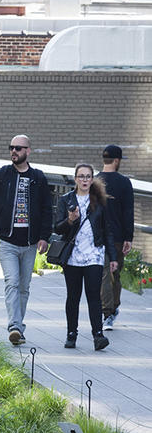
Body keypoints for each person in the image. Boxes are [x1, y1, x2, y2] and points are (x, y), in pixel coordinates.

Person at [0, 134, 52, 345]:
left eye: (19, 148)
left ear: (28, 151)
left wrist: (44, 237)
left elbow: (47, 209)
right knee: (12, 282)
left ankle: (18, 328)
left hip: (30, 243)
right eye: (11, 147)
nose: (14, 151)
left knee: (24, 287)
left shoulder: (38, 178)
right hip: (7, 241)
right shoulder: (2, 175)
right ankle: (14, 326)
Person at [54, 164, 117, 350]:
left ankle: (98, 335)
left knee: (93, 296)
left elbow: (108, 231)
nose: (84, 180)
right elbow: (57, 228)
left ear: (92, 179)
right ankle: (71, 334)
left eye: (88, 177)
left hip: (94, 255)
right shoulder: (66, 200)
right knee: (73, 296)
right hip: (72, 256)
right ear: (75, 179)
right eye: (81, 176)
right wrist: (70, 220)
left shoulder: (99, 201)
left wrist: (112, 257)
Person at [97, 144, 134, 330]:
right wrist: (129, 237)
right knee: (112, 274)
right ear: (117, 160)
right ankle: (109, 312)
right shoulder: (124, 182)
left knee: (106, 274)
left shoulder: (94, 180)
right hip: (118, 237)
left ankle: (110, 310)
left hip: (97, 236)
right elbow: (128, 211)